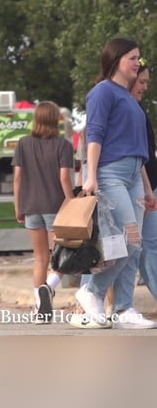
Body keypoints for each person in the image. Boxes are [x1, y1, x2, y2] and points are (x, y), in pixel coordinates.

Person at [74, 38, 157, 329]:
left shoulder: (128, 99)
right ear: (116, 60)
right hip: (110, 174)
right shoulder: (102, 93)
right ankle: (92, 292)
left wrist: (147, 187)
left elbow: (139, 150)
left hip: (135, 175)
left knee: (133, 245)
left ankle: (121, 309)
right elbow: (94, 135)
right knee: (124, 241)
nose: (137, 63)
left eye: (138, 58)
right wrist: (91, 175)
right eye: (132, 58)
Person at [11, 101, 75, 323]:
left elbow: (17, 177)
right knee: (62, 258)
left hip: (30, 206)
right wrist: (72, 202)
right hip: (56, 207)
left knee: (40, 258)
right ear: (56, 119)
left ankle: (41, 311)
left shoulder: (23, 144)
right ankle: (48, 288)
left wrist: (18, 207)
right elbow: (64, 178)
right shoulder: (63, 145)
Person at [113, 60, 157, 308]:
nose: (144, 87)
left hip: (146, 187)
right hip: (134, 186)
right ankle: (94, 295)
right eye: (141, 82)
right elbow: (137, 157)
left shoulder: (138, 111)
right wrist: (148, 190)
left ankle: (113, 303)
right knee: (134, 246)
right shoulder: (125, 111)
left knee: (139, 247)